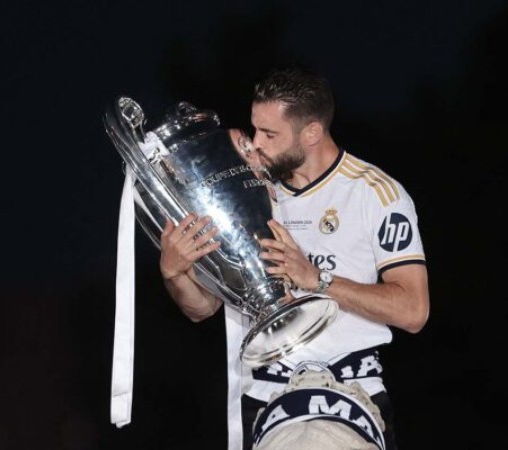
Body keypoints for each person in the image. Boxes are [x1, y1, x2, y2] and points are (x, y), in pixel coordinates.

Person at [158, 66, 429, 449]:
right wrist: (175, 272)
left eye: (269, 134)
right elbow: (202, 309)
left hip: (351, 392)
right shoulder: (248, 189)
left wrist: (316, 279)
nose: (255, 144)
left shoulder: (376, 194)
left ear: (312, 133)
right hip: (264, 400)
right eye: (254, 129)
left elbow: (413, 311)